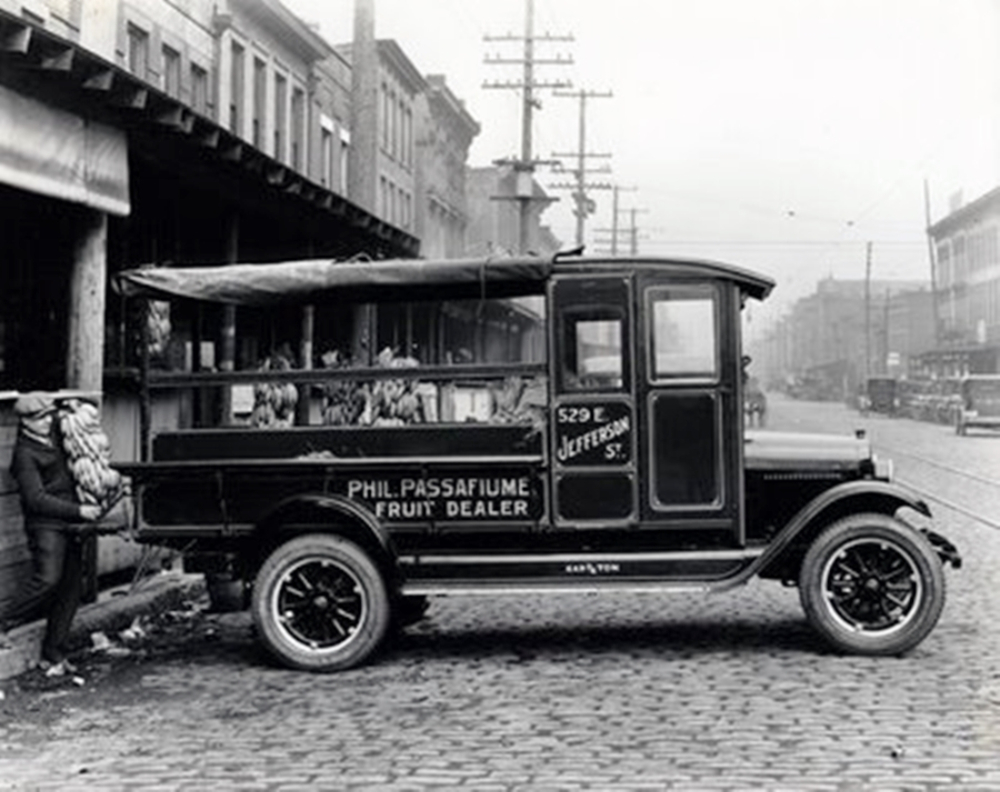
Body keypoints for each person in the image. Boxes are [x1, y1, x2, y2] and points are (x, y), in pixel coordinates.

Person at [0, 392, 102, 674]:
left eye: (48, 416)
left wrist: (74, 405)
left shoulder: (57, 430)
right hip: (45, 525)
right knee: (48, 578)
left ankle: (54, 652)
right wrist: (79, 511)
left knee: (71, 587)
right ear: (25, 422)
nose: (46, 422)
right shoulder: (24, 454)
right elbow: (36, 499)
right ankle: (3, 620)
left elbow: (85, 410)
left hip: (70, 520)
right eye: (39, 419)